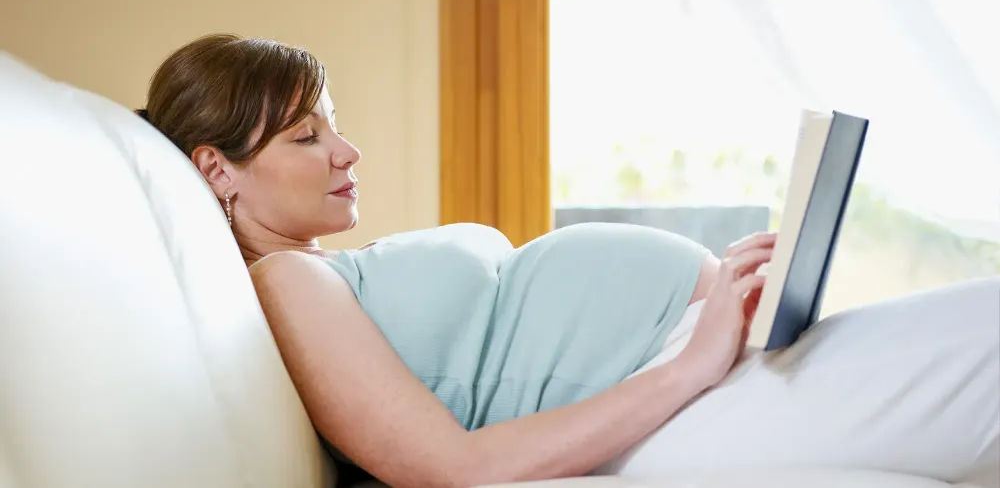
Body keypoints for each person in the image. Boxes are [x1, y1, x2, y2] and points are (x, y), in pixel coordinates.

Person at [136, 34, 999, 488]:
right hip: (676, 402)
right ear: (217, 168)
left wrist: (713, 299)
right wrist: (689, 367)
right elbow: (453, 470)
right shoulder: (283, 282)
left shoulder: (329, 273)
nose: (347, 151)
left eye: (334, 124)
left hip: (697, 372)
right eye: (306, 135)